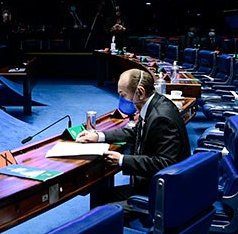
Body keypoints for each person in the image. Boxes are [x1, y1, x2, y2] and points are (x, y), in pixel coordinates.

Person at [77, 68, 191, 204]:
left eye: (123, 95)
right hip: (155, 184)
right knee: (101, 196)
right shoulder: (156, 102)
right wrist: (99, 136)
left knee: (101, 204)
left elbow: (166, 163)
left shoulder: (161, 118)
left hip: (164, 193)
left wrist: (123, 160)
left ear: (140, 92)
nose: (121, 100)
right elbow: (136, 132)